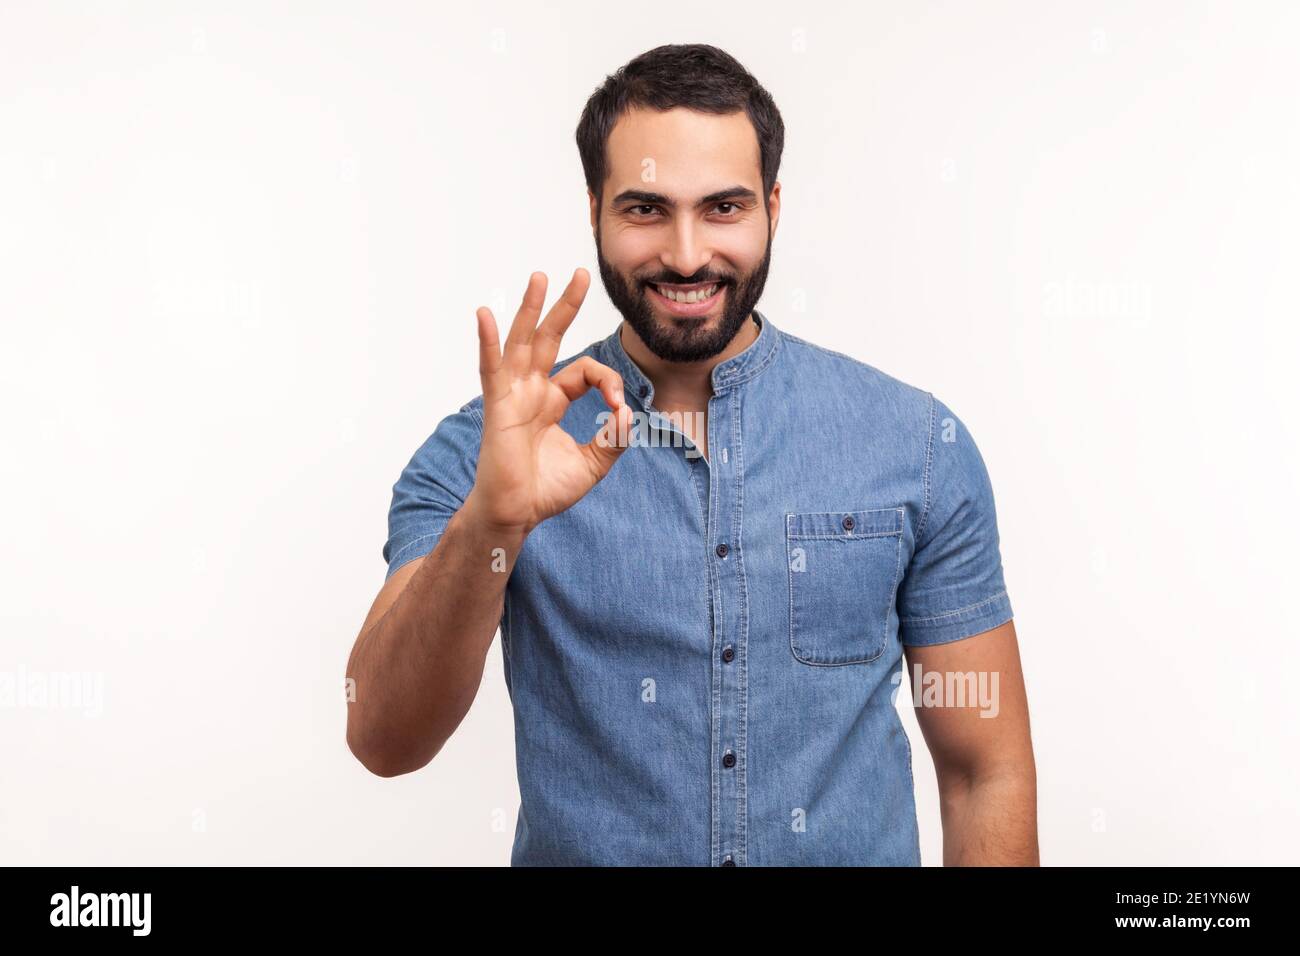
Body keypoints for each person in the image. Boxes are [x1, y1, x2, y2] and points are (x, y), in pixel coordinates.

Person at [345, 43, 1038, 866]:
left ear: (773, 208)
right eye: (644, 209)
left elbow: (981, 772)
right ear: (595, 207)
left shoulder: (917, 445)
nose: (684, 254)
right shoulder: (485, 452)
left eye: (723, 208)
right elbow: (383, 737)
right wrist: (494, 521)